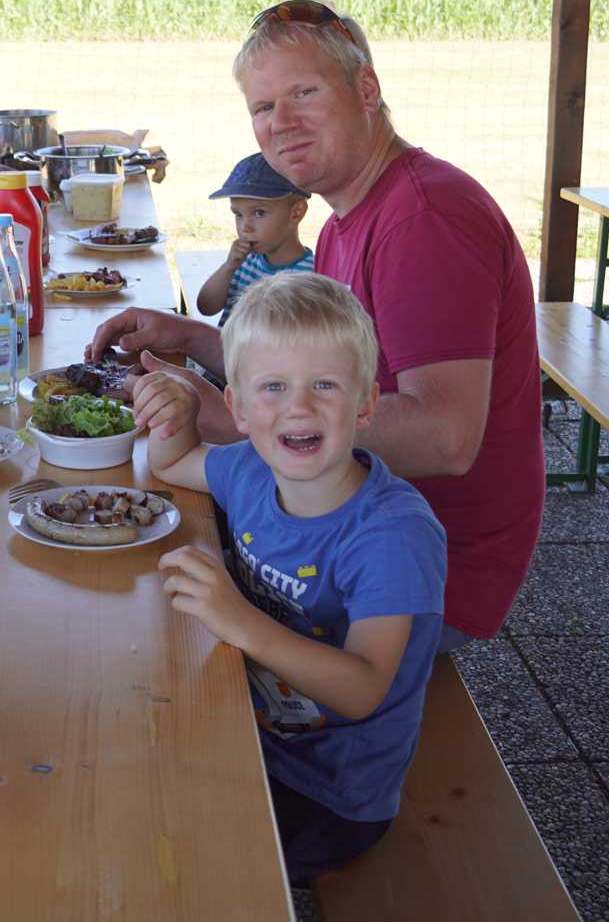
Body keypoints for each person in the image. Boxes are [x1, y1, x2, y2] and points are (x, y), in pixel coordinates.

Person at [89, 0, 542, 654]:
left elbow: (447, 439)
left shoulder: (425, 218)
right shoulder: (341, 220)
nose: (282, 124)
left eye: (305, 93)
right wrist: (190, 339)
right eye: (263, 107)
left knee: (146, 619)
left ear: (366, 89)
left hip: (420, 569)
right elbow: (317, 371)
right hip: (344, 516)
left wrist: (231, 417)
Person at [135, 272, 445, 883]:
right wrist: (176, 411)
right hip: (249, 726)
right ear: (240, 409)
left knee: (175, 860)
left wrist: (238, 619)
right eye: (273, 387)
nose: (298, 407)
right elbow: (173, 463)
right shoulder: (251, 470)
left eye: (324, 385)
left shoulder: (391, 536)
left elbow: (362, 691)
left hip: (330, 788)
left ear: (366, 402)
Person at [195, 152, 315, 326]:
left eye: (259, 213)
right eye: (238, 214)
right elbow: (206, 307)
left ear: (296, 213)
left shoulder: (308, 277)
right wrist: (229, 267)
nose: (245, 227)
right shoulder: (245, 262)